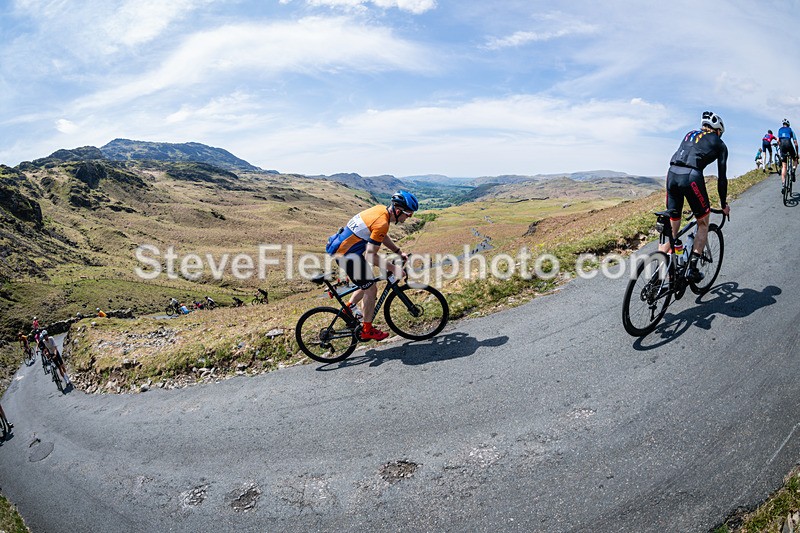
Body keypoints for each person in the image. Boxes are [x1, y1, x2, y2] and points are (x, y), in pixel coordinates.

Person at [325, 190, 418, 340]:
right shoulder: (381, 222)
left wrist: (398, 252)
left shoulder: (381, 211)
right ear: (399, 210)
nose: (409, 218)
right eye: (408, 214)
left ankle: (348, 309)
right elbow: (370, 255)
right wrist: (394, 268)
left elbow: (381, 235)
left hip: (347, 252)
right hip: (346, 255)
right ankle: (367, 330)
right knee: (371, 288)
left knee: (368, 282)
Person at [659, 111, 731, 282]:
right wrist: (723, 204)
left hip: (672, 174)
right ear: (718, 131)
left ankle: (662, 265)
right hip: (691, 176)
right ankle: (692, 269)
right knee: (703, 223)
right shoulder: (720, 144)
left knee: (672, 225)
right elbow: (722, 179)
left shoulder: (690, 134)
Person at [778, 119, 799, 193]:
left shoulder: (779, 130)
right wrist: (796, 154)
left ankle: (783, 184)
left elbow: (778, 141)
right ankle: (793, 170)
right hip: (789, 144)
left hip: (782, 146)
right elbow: (795, 143)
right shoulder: (790, 130)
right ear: (788, 125)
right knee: (795, 159)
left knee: (784, 166)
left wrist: (780, 149)